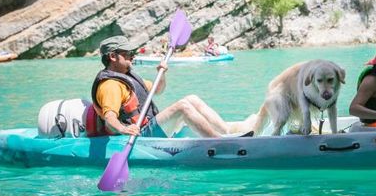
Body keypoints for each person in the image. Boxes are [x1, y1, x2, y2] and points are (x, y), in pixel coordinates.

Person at [88, 35, 254, 138]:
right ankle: (218, 143)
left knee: (191, 99)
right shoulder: (110, 85)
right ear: (112, 57)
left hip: (148, 124)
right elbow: (110, 120)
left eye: (133, 53)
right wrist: (125, 130)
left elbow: (157, 90)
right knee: (182, 107)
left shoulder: (127, 77)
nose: (133, 57)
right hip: (140, 133)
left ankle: (227, 131)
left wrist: (162, 73)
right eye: (128, 54)